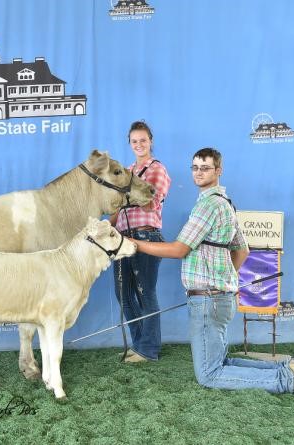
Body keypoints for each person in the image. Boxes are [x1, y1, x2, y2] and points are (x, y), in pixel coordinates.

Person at [131, 147, 294, 393]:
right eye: (195, 167)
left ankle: (289, 380)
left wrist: (134, 244)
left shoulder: (208, 206)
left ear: (218, 170)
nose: (198, 172)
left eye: (205, 167)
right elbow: (242, 251)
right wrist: (223, 280)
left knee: (210, 374)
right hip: (220, 297)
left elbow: (179, 249)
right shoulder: (226, 204)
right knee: (221, 362)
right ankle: (291, 367)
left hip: (208, 300)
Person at [109, 121, 171, 363]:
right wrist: (107, 226)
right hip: (123, 238)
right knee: (123, 294)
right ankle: (138, 344)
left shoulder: (157, 169)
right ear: (130, 143)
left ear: (151, 141)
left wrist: (127, 193)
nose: (139, 145)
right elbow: (117, 207)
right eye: (134, 141)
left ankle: (149, 349)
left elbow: (150, 203)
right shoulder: (127, 171)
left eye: (143, 140)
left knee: (145, 291)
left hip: (146, 235)